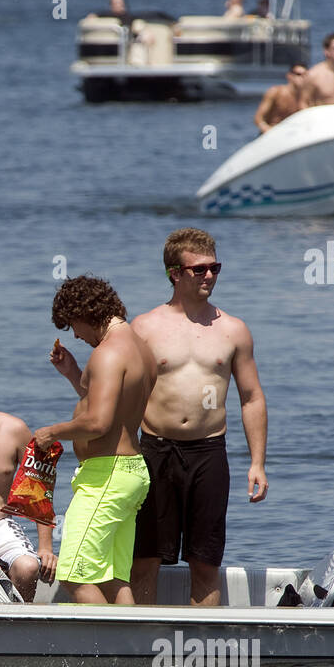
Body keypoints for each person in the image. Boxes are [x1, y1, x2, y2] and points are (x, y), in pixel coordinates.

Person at [129, 229, 268, 608]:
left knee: (205, 564)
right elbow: (122, 394)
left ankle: (198, 660)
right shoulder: (144, 327)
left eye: (215, 268)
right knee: (145, 561)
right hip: (154, 451)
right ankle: (143, 650)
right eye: (199, 270)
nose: (209, 276)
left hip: (209, 453)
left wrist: (257, 463)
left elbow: (252, 397)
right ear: (175, 273)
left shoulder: (233, 329)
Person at [33, 276, 156, 607]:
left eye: (73, 325)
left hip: (107, 477)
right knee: (114, 578)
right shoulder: (141, 348)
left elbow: (98, 423)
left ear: (86, 312)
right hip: (130, 472)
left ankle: (111, 655)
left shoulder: (107, 354)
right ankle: (135, 653)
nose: (75, 335)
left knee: (73, 574)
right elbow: (114, 411)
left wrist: (51, 432)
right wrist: (75, 374)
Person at [0, 401, 57, 602]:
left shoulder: (14, 429)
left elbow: (39, 484)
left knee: (28, 567)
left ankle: (19, 626)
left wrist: (45, 546)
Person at [254, 64, 307, 132]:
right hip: (271, 133)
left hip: (293, 135)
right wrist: (268, 130)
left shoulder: (305, 97)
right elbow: (258, 118)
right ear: (289, 76)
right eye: (298, 74)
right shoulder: (275, 92)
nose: (302, 78)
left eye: (305, 75)